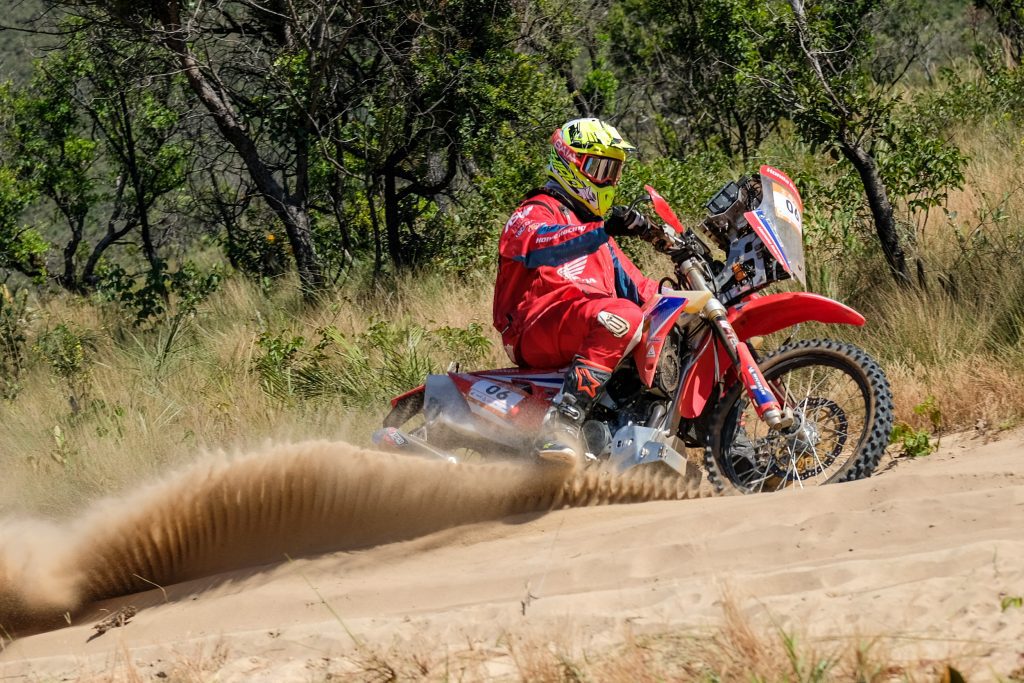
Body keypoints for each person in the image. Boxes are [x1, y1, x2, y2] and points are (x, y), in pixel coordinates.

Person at [492, 117, 661, 466]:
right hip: (535, 324)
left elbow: (645, 290)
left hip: (581, 323)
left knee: (658, 322)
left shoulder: (600, 238)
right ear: (569, 163)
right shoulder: (534, 210)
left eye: (613, 171)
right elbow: (540, 243)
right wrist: (600, 231)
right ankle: (561, 423)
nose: (607, 180)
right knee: (621, 316)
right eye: (599, 168)